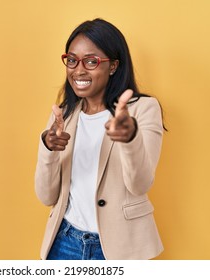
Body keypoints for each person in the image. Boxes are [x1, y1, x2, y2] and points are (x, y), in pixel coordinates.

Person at [35, 18, 165, 260]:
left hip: (121, 247)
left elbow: (140, 184)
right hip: (64, 243)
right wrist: (48, 147)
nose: (79, 70)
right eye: (72, 60)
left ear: (113, 66)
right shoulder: (63, 115)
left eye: (91, 61)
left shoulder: (143, 109)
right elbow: (46, 197)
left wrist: (130, 139)